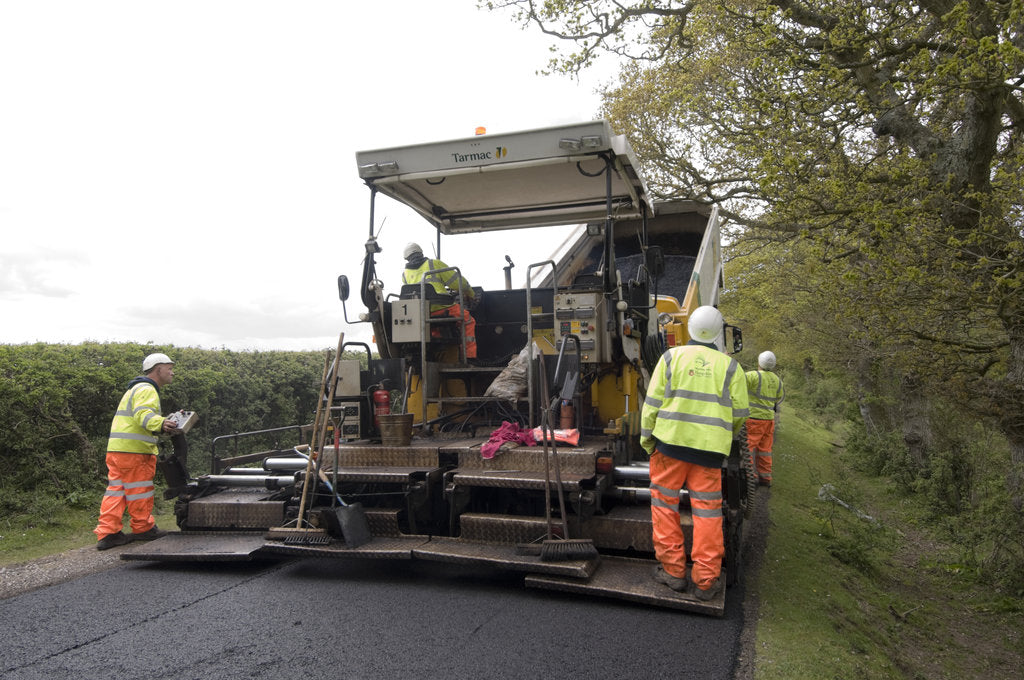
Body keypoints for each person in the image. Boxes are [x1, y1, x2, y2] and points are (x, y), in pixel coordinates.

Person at [640, 306, 749, 601]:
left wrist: (647, 440)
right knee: (707, 515)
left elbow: (651, 405)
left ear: (689, 329)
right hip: (709, 454)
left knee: (664, 507)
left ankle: (673, 572)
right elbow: (739, 414)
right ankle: (705, 580)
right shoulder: (730, 368)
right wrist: (720, 435)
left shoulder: (670, 358)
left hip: (669, 447)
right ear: (718, 334)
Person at [94, 353, 178, 550]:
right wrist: (162, 423)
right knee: (140, 490)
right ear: (158, 369)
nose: (172, 373)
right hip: (134, 452)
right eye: (169, 368)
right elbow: (143, 414)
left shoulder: (136, 388)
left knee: (117, 491)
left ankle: (108, 533)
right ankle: (143, 528)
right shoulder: (147, 389)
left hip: (118, 449)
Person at [401, 242, 478, 359]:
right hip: (442, 308)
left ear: (406, 258)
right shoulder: (434, 264)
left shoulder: (405, 274)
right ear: (421, 253)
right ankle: (470, 357)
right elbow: (458, 283)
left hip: (421, 313)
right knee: (468, 320)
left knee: (432, 325)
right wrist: (470, 293)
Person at [745, 350, 785, 487]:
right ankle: (765, 478)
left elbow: (736, 384)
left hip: (753, 420)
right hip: (769, 420)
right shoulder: (777, 380)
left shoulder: (752, 376)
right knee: (765, 450)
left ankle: (749, 477)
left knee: (748, 448)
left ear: (759, 362)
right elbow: (779, 398)